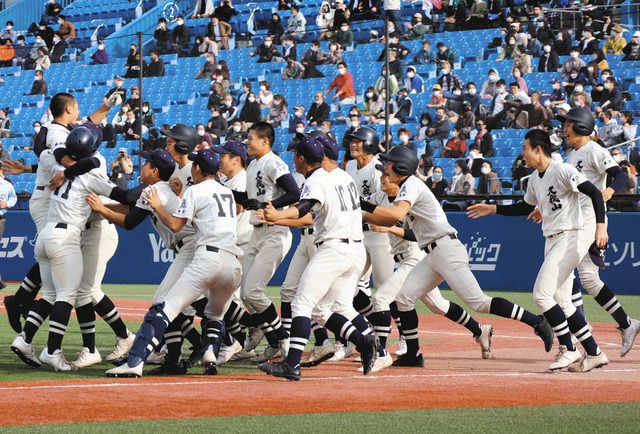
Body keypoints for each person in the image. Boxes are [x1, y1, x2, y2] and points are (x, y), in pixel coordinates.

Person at [360, 146, 554, 367]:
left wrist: (362, 205)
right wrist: (362, 208)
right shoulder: (403, 187)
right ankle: (413, 353)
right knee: (403, 298)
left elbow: (395, 215)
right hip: (432, 254)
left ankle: (538, 322)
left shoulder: (411, 184)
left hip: (446, 249)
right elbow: (385, 218)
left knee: (479, 302)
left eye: (389, 163)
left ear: (401, 167)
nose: (385, 167)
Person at [467, 129, 611, 372]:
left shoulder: (562, 169)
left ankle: (569, 348)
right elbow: (524, 206)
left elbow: (595, 194)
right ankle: (595, 352)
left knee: (541, 295)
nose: (522, 153)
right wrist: (493, 208)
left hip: (570, 237)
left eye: (525, 148)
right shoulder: (535, 178)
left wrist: (600, 228)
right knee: (564, 303)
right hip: (552, 239)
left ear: (538, 150)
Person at [105, 149, 243, 378]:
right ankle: (209, 351)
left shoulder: (195, 189)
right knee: (214, 315)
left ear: (197, 169)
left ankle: (135, 362)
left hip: (206, 256)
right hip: (233, 262)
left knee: (162, 308)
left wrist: (158, 205)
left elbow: (176, 225)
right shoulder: (226, 192)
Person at [258, 133, 379, 380]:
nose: (293, 158)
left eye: (295, 154)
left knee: (302, 303)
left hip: (334, 248)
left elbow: (305, 208)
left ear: (302, 158)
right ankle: (364, 341)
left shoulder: (317, 179)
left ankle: (291, 365)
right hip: (355, 249)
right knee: (322, 310)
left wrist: (278, 215)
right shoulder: (343, 176)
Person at [553, 108, 640, 358]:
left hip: (591, 220)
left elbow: (620, 176)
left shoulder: (594, 149)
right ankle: (623, 323)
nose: (565, 128)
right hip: (575, 219)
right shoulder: (572, 155)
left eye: (569, 124)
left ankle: (584, 325)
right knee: (584, 277)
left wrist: (611, 191)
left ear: (581, 126)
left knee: (570, 273)